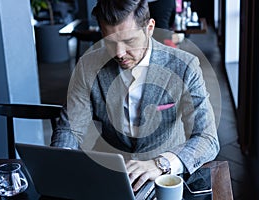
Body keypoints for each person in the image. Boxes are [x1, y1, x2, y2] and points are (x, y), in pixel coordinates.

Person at [51, 0, 219, 193]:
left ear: (149, 28)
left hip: (165, 179)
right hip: (110, 176)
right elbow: (70, 129)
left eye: (129, 41)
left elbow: (207, 139)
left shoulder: (184, 66)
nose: (119, 53)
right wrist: (59, 167)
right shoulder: (87, 66)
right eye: (110, 42)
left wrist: (161, 163)